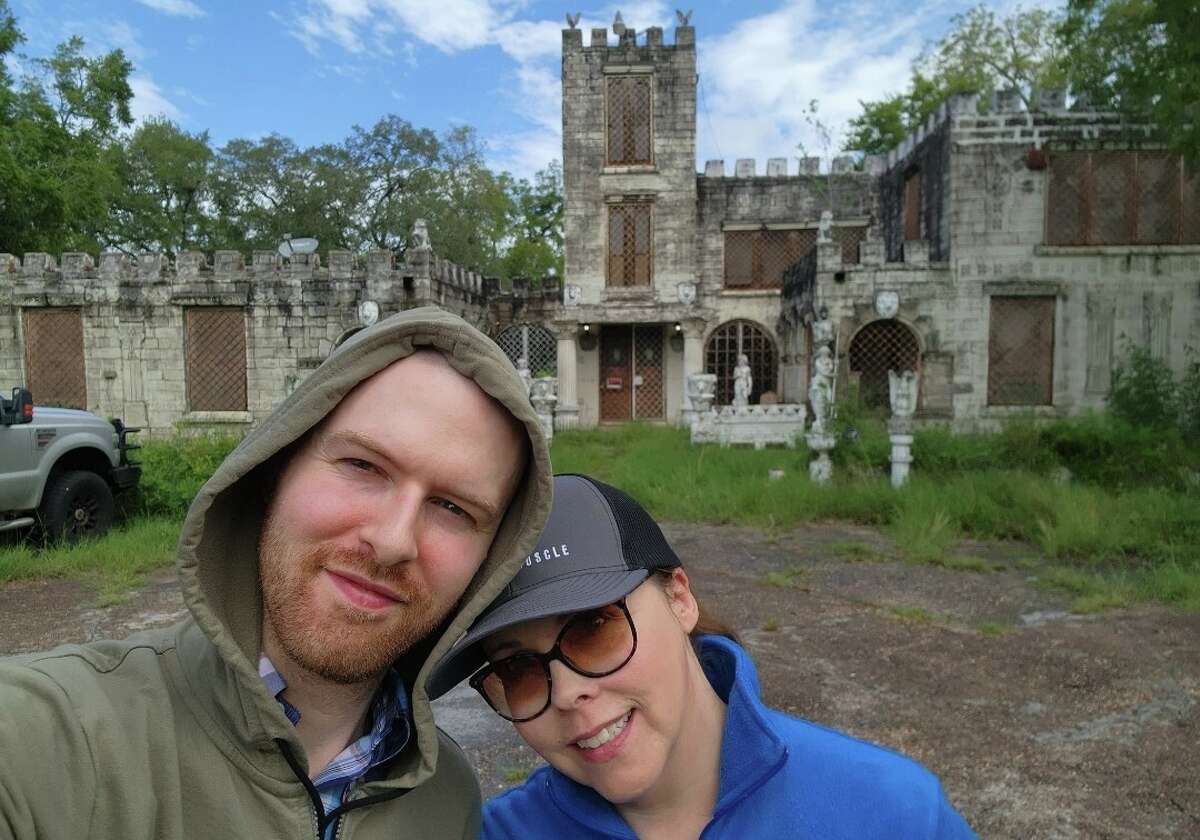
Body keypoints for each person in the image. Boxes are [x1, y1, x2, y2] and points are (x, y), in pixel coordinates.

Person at [0, 306, 553, 840]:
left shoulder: (447, 804)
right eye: (362, 465)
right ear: (276, 467)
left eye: (454, 508)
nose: (391, 542)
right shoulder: (43, 741)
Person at [428, 474, 977, 839]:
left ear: (680, 599)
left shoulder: (892, 814)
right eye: (517, 669)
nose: (569, 693)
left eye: (593, 628)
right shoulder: (494, 835)